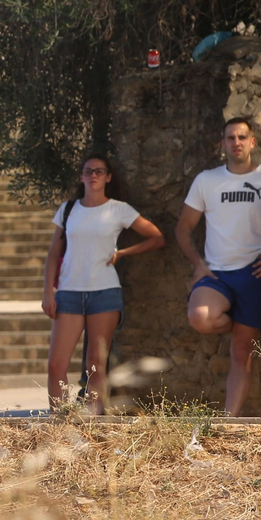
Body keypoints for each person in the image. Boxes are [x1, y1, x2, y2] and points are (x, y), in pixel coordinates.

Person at [41, 154, 164, 413]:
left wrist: (123, 253)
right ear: (81, 176)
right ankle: (58, 423)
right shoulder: (68, 209)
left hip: (104, 293)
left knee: (96, 363)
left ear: (108, 176)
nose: (93, 176)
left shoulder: (119, 209)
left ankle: (93, 424)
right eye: (88, 171)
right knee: (56, 365)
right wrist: (47, 293)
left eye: (99, 171)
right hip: (69, 293)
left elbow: (156, 237)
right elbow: (54, 253)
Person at [175, 117, 261, 416]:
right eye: (230, 138)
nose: (236, 143)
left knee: (241, 352)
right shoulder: (206, 181)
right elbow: (183, 228)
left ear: (252, 142)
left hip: (256, 271)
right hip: (216, 273)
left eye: (242, 137)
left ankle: (227, 419)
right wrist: (197, 263)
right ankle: (245, 322)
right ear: (223, 144)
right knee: (200, 318)